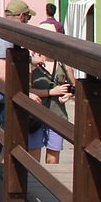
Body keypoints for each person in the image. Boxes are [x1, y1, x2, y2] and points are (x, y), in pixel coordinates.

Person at [28, 26, 73, 163]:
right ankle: (33, 183)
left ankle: (47, 185)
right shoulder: (30, 63)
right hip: (35, 115)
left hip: (56, 115)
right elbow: (24, 90)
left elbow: (74, 87)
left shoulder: (64, 63)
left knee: (52, 160)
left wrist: (69, 94)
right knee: (33, 157)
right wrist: (50, 92)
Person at [0, 0, 34, 126]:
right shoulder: (5, 36)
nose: (28, 21)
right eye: (28, 17)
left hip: (5, 97)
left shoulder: (6, 30)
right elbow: (2, 75)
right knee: (8, 139)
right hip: (2, 101)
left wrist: (31, 60)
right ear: (22, 17)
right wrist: (26, 94)